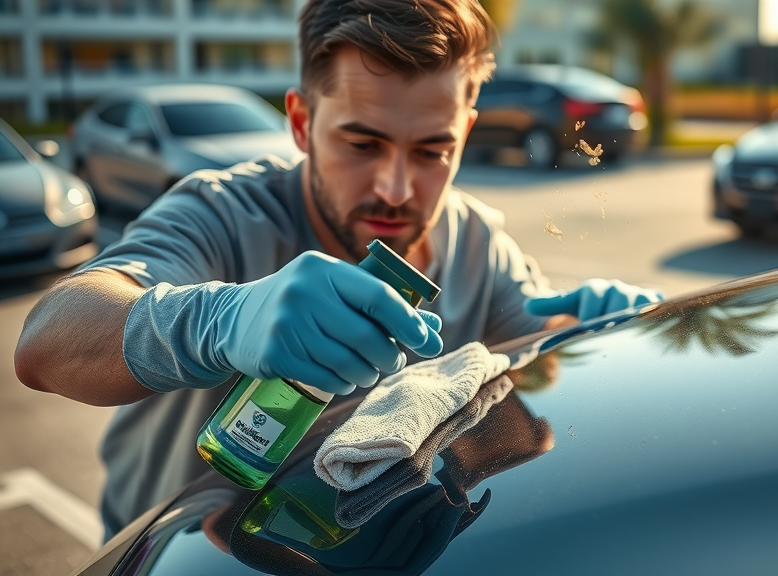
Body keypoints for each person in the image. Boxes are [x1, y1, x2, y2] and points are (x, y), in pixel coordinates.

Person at [14, 0, 663, 540]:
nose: (398, 188)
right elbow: (47, 339)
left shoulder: (473, 239)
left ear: (466, 130)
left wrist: (591, 334)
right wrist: (218, 320)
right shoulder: (221, 213)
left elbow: (528, 340)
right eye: (363, 143)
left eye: (434, 150)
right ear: (301, 122)